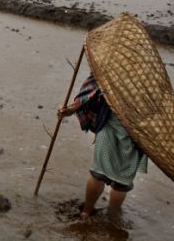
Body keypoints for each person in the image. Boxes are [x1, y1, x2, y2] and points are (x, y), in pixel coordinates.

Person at [58, 75, 147, 218]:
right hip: (135, 134)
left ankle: (86, 212)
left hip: (112, 126)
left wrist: (71, 109)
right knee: (121, 181)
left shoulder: (111, 68)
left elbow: (90, 92)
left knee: (99, 173)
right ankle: (111, 217)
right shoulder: (150, 80)